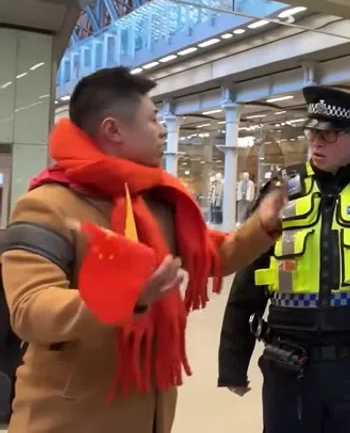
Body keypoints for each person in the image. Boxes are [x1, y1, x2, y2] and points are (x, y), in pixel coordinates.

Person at [0, 66, 285, 433]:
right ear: (113, 129)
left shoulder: (158, 202)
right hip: (69, 417)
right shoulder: (46, 205)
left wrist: (261, 224)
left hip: (149, 412)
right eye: (152, 118)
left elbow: (209, 258)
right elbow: (30, 309)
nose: (163, 128)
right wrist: (123, 296)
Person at [217, 86, 350, 433]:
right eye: (312, 132)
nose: (316, 142)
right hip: (289, 367)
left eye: (329, 133)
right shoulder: (281, 192)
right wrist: (232, 361)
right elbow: (249, 279)